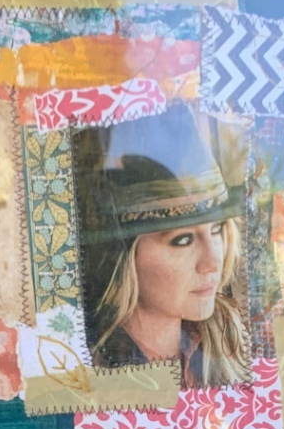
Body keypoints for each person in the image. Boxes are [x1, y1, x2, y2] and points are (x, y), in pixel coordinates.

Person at [76, 103, 250, 389]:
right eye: (183, 240)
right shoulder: (93, 373)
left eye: (216, 230)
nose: (212, 262)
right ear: (125, 256)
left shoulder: (231, 340)